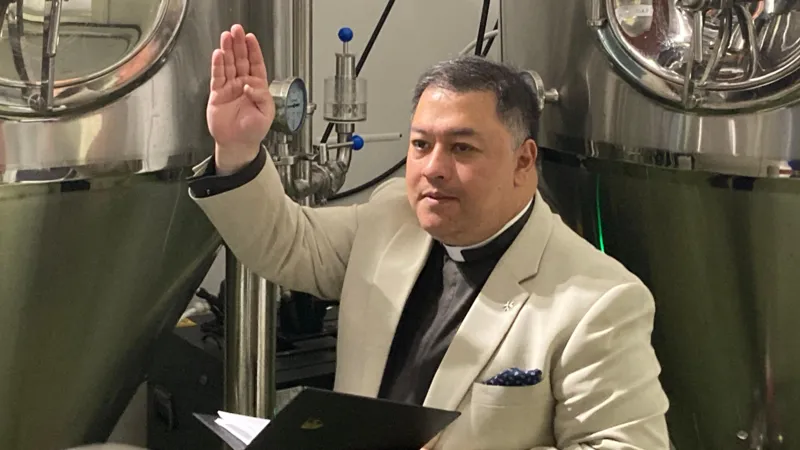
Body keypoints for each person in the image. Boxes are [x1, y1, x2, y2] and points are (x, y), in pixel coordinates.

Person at [188, 24, 671, 450]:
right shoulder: (391, 219)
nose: (433, 168)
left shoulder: (598, 301)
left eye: (462, 148)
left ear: (523, 161)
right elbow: (288, 244)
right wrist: (238, 148)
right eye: (421, 144)